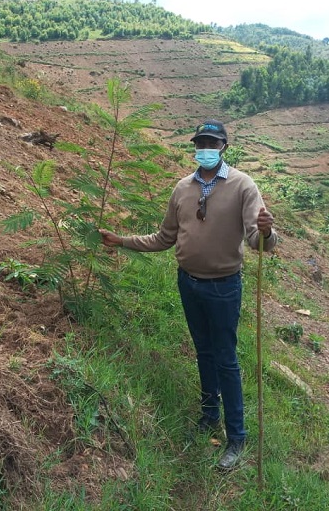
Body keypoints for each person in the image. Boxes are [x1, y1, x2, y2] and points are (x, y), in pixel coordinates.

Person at [99, 119, 277, 470]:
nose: (205, 148)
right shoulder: (182, 188)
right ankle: (209, 415)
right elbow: (164, 237)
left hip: (224, 287)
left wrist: (268, 233)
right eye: (201, 142)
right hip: (189, 283)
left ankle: (236, 438)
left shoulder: (242, 185)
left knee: (226, 358)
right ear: (194, 146)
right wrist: (122, 241)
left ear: (224, 146)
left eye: (212, 142)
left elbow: (257, 240)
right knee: (203, 351)